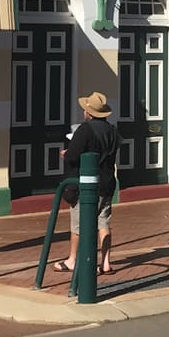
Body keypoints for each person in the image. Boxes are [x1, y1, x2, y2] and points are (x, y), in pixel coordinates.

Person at [53, 91, 120, 276]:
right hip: (106, 182)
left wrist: (66, 154)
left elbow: (73, 156)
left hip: (86, 184)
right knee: (103, 222)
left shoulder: (85, 130)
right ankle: (106, 262)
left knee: (78, 224)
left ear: (88, 112)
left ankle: (73, 260)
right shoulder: (113, 131)